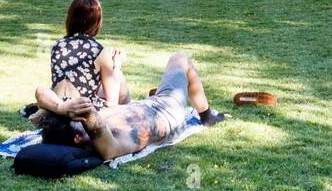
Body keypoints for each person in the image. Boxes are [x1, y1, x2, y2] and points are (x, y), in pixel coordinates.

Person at [36, 52, 225, 159]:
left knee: (69, 87)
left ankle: (162, 92)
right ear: (77, 138)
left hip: (145, 105)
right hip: (168, 108)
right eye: (75, 116)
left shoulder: (75, 128)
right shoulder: (106, 143)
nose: (76, 110)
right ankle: (207, 116)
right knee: (180, 59)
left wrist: (61, 107)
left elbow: (40, 91)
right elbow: (91, 117)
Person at [48, 0, 131, 109]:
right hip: (82, 109)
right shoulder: (99, 51)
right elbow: (112, 100)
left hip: (59, 103)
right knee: (119, 77)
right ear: (96, 23)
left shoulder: (57, 45)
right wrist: (116, 65)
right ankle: (129, 115)